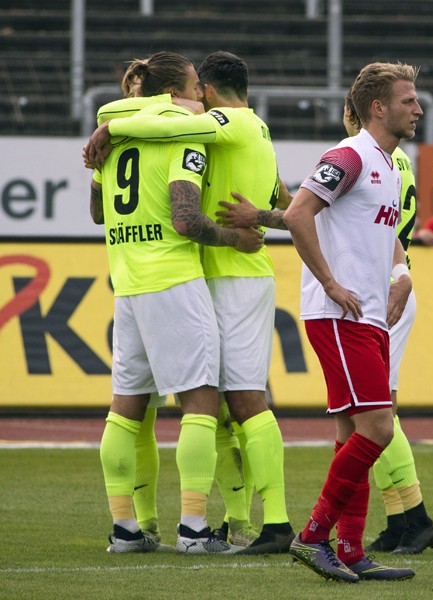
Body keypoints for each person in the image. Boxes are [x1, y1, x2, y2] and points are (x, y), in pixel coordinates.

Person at [87, 51, 296, 555]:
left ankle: (137, 526)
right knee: (209, 403)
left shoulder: (214, 124)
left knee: (146, 407)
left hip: (145, 280)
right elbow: (187, 217)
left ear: (208, 88)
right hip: (186, 274)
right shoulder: (187, 129)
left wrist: (111, 128)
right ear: (182, 90)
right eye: (188, 89)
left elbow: (96, 209)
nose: (195, 97)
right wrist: (255, 225)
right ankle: (197, 528)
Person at [282, 62, 422, 583]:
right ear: (379, 108)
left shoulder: (387, 162)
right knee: (379, 428)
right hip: (341, 315)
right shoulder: (349, 155)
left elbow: (389, 234)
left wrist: (402, 275)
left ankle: (351, 550)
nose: (418, 108)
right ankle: (313, 537)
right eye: (408, 100)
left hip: (368, 315)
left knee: (351, 435)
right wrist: (330, 283)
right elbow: (298, 213)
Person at [340, 94, 433, 555]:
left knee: (376, 416)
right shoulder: (393, 161)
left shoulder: (371, 159)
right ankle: (399, 518)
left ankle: (415, 516)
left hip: (383, 295)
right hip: (385, 290)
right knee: (372, 413)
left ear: (354, 114)